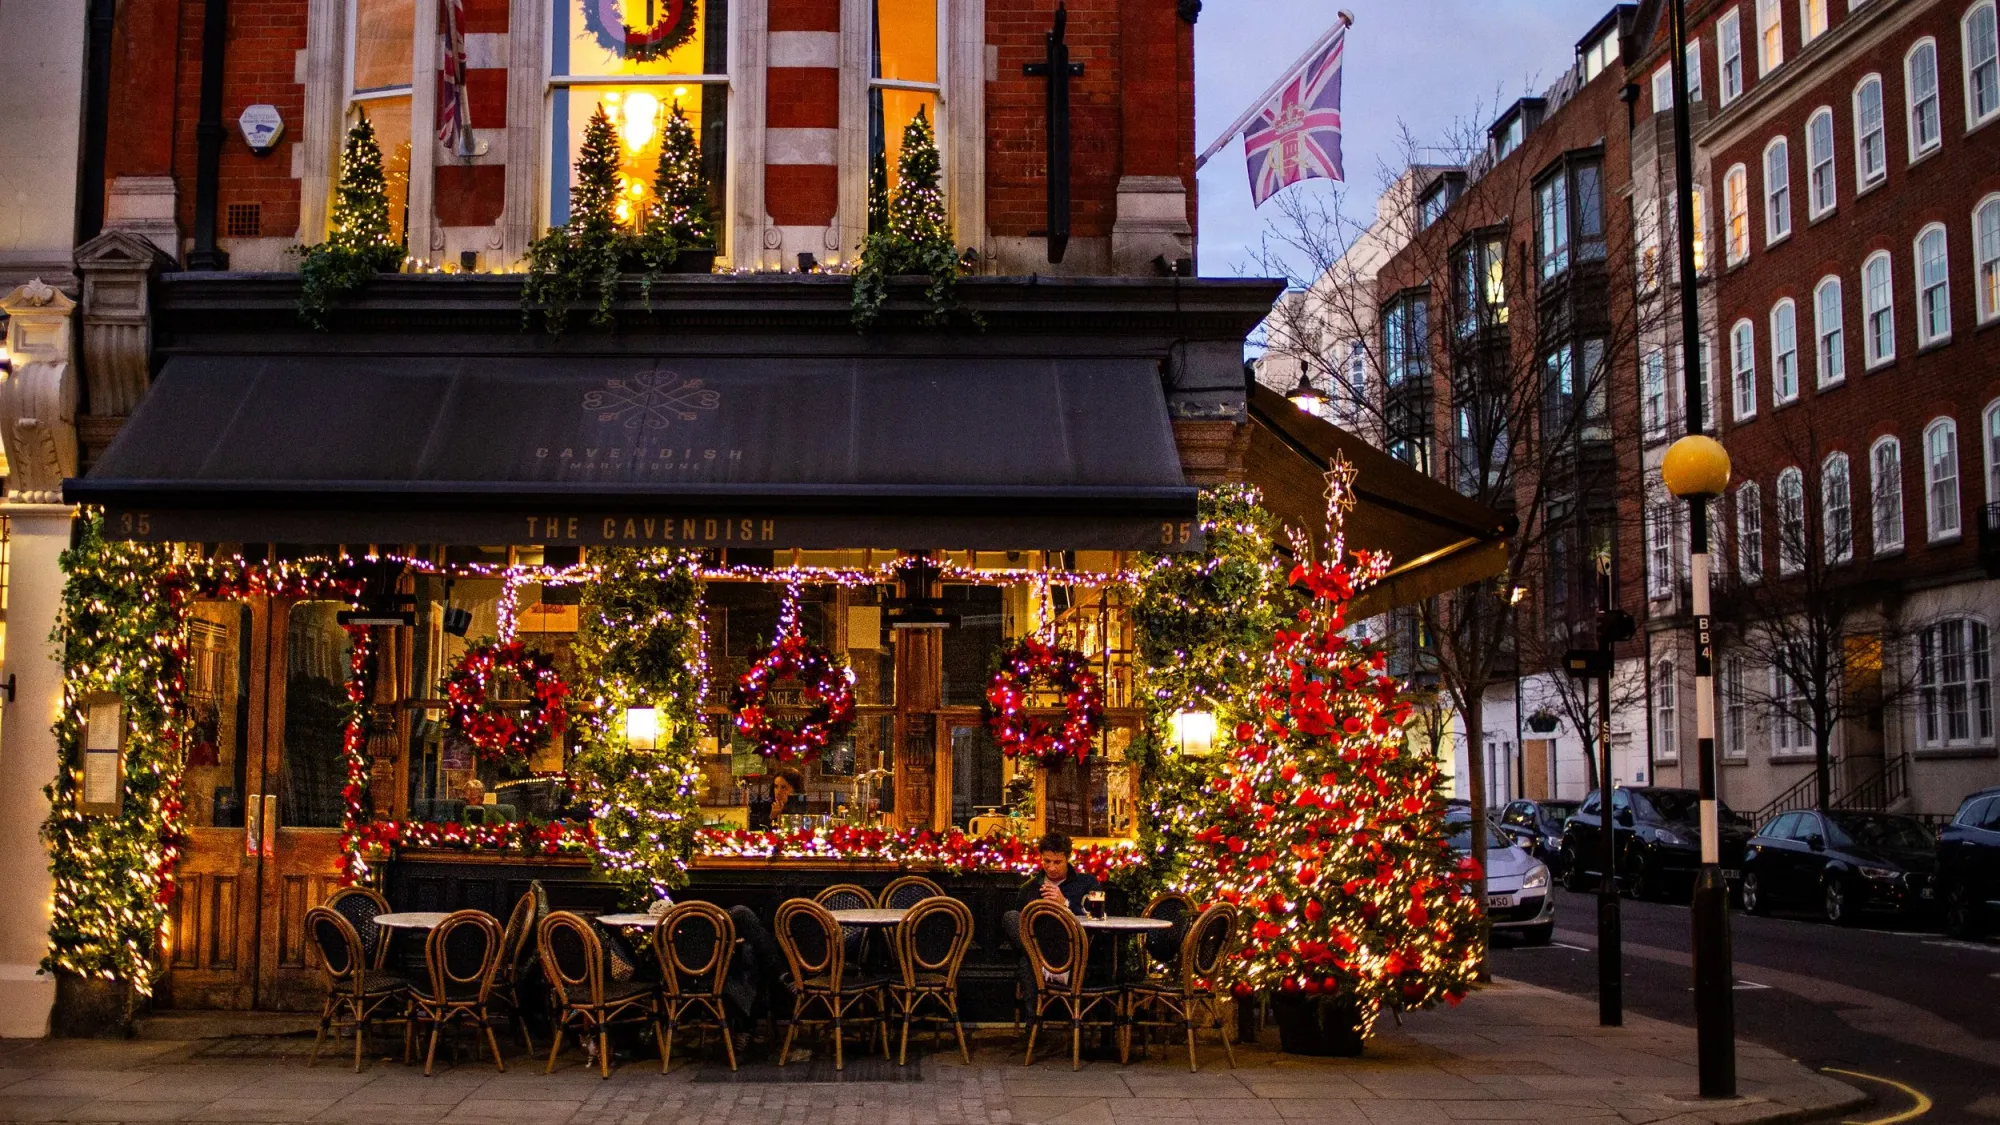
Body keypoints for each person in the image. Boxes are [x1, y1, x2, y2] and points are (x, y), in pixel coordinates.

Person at [1001, 832, 1103, 1000]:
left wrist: (1066, 904)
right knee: (1011, 918)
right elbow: (1019, 932)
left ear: (1068, 858)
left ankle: (1041, 967)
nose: (1051, 868)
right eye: (1046, 861)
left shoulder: (1089, 882)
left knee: (1028, 963)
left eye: (1057, 862)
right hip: (1040, 951)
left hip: (1073, 952)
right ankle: (1034, 1022)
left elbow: (1098, 915)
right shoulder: (1030, 888)